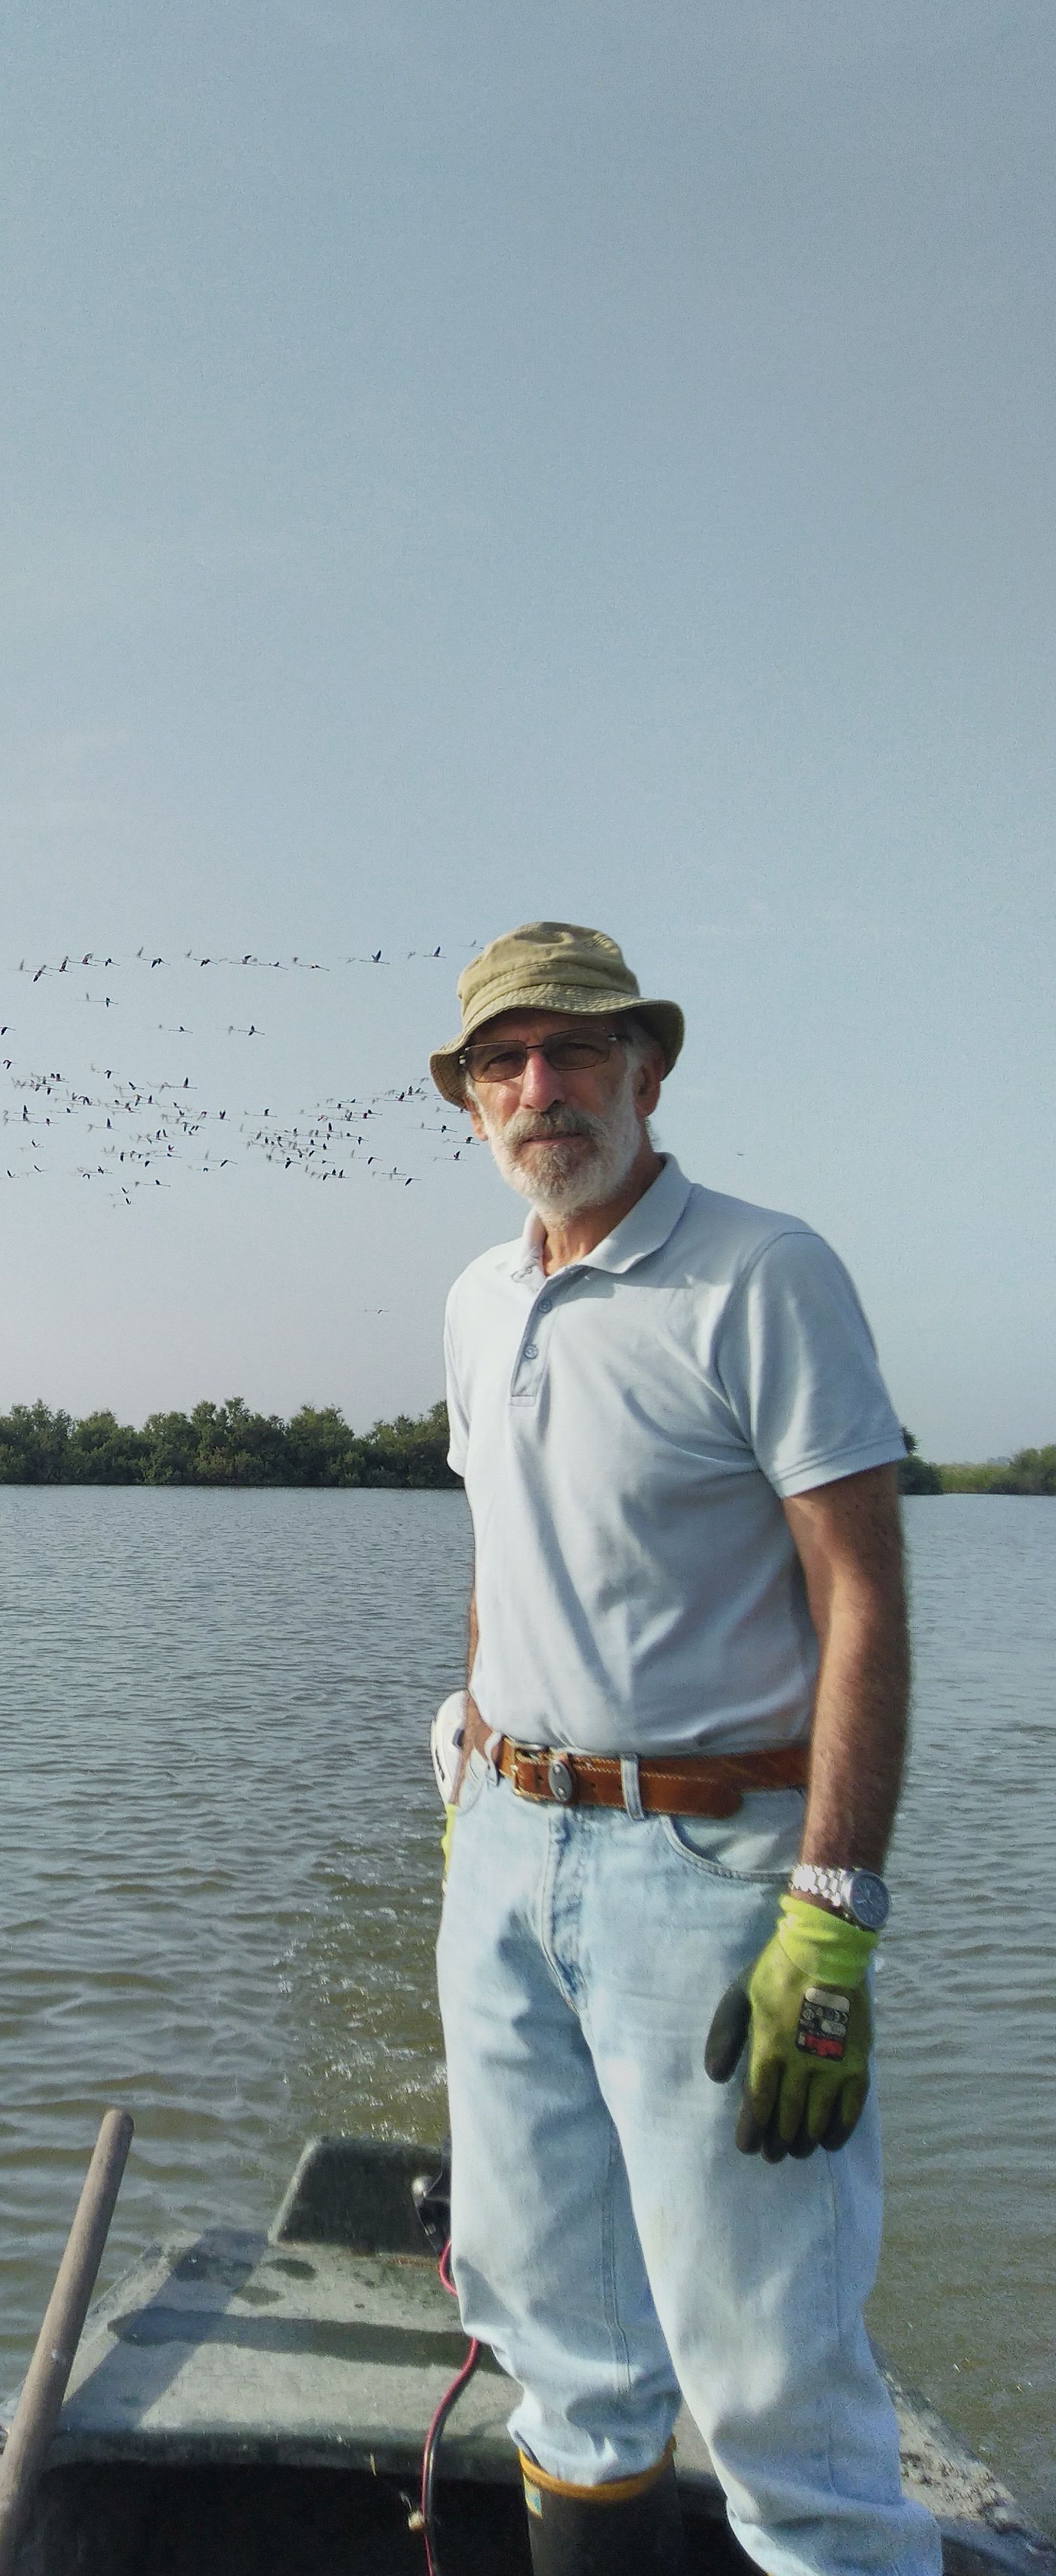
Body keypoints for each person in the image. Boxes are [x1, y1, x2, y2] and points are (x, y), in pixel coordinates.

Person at [431, 921, 935, 2576]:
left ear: (648, 1070)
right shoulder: (478, 1298)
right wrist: (475, 1796)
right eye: (505, 1061)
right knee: (557, 2348)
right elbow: (507, 1563)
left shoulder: (761, 1273)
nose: (541, 1086)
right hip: (508, 1847)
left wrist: (832, 1913)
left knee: (774, 2380)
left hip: (712, 1877)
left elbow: (861, 1590)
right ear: (471, 1101)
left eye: (575, 1051)